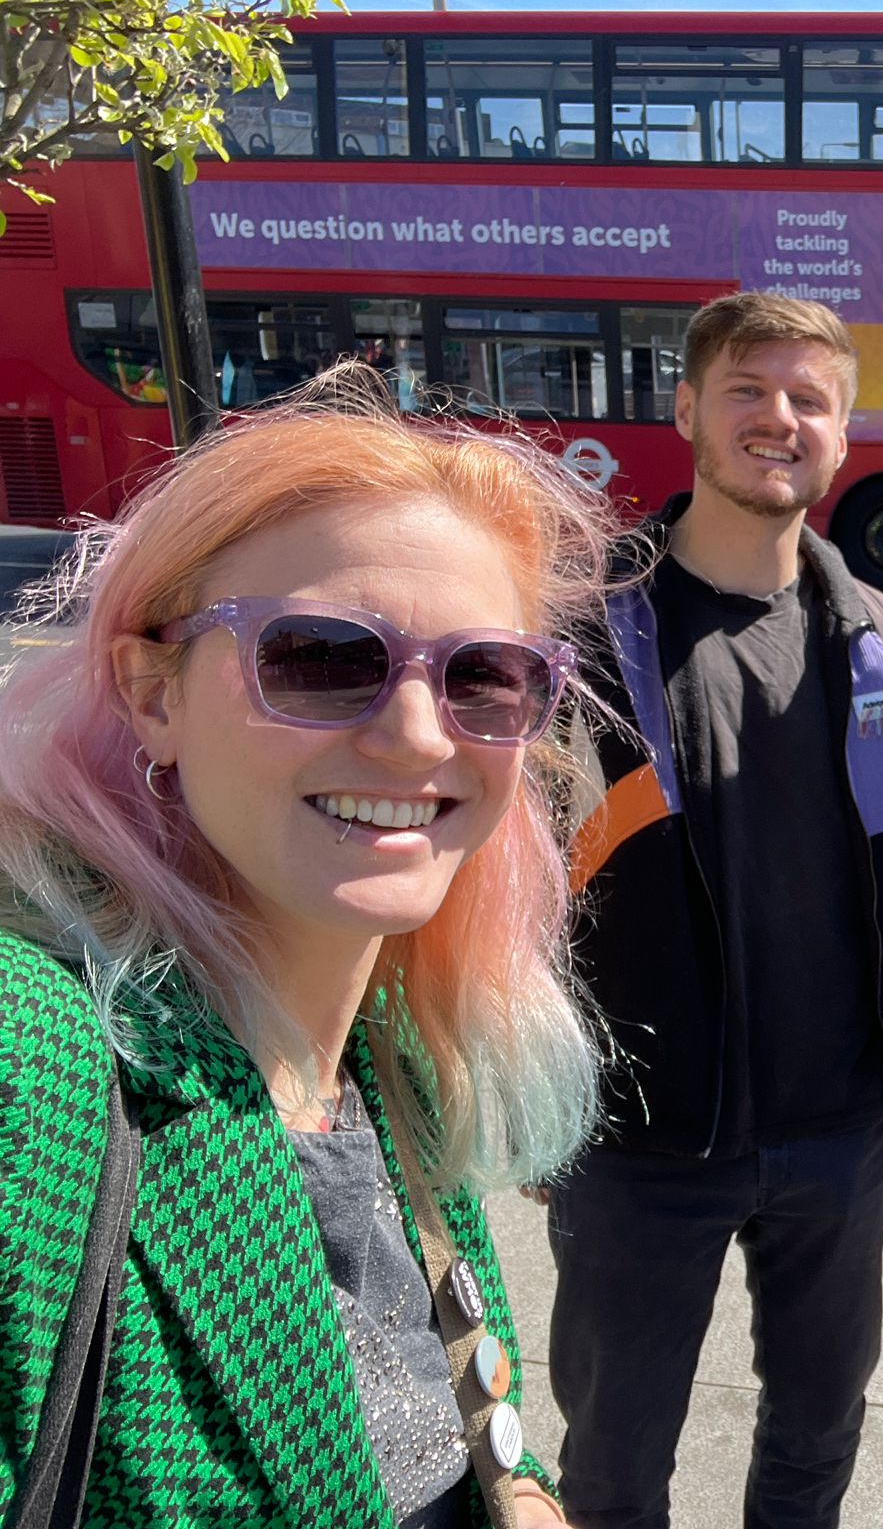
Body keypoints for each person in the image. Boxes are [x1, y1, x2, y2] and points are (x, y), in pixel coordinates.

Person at [0, 365, 608, 1526]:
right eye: (322, 659)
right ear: (149, 691)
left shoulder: (396, 1060)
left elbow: (462, 1429)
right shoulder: (31, 1071)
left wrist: (516, 1494)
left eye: (485, 675)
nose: (418, 735)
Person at [547, 293, 883, 1529]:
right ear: (686, 411)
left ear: (841, 433)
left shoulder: (879, 642)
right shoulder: (579, 639)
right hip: (640, 1142)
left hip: (836, 1133)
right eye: (747, 391)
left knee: (817, 1438)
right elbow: (513, 880)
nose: (780, 419)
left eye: (809, 399)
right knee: (613, 1467)